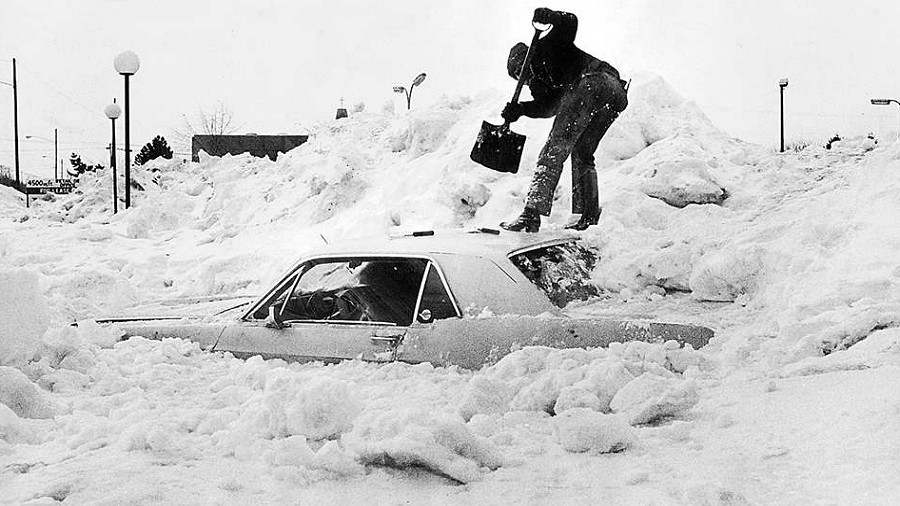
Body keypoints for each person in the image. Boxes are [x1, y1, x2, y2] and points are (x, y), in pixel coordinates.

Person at [500, 7, 628, 233]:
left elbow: (570, 23)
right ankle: (586, 217)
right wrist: (519, 110)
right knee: (582, 152)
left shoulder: (546, 47)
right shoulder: (540, 83)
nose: (525, 81)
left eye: (522, 73)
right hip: (614, 95)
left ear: (524, 60)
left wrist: (551, 17)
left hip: (595, 80)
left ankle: (532, 213)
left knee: (554, 147)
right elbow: (549, 106)